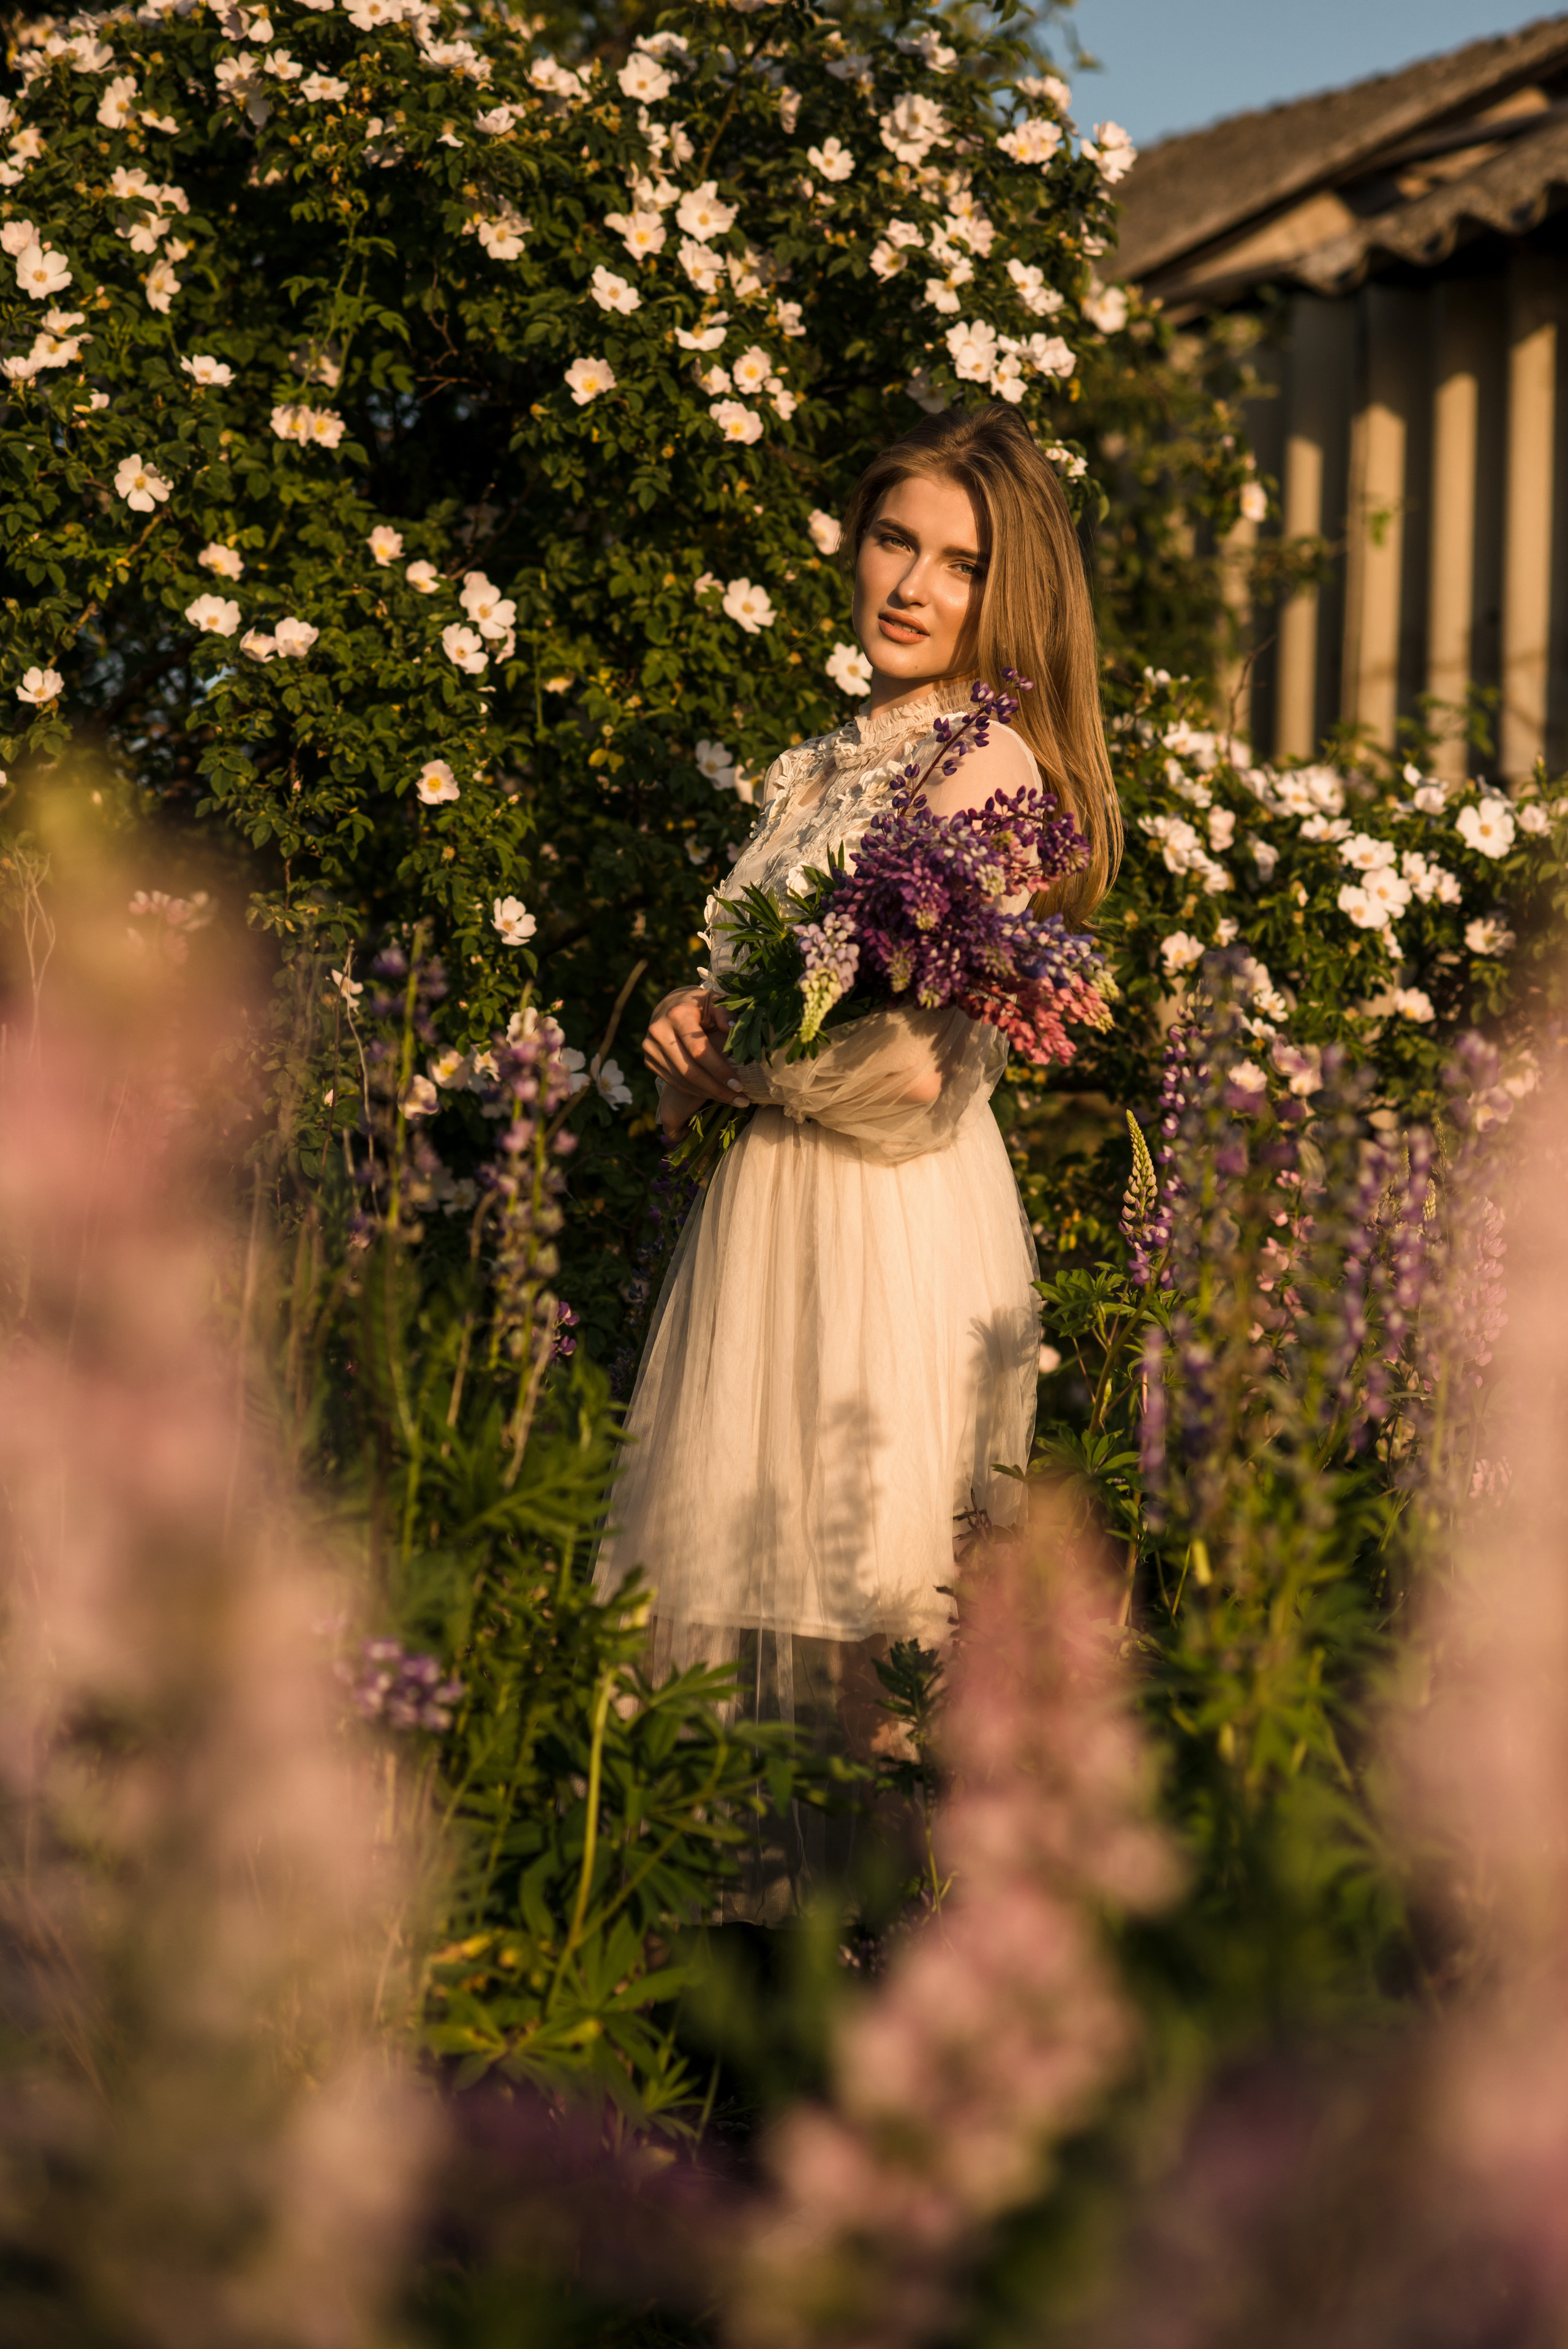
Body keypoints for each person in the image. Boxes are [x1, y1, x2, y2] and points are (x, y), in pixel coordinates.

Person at [594, 404, 1120, 1909]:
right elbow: (782, 997)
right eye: (895, 538)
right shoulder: (820, 758)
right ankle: (742, 2048)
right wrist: (687, 1054)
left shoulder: (989, 767)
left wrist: (741, 1054)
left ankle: (885, 2031)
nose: (910, 584)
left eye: (959, 563)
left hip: (886, 1232)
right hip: (765, 1221)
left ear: (1003, 595)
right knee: (746, 1642)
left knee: (866, 1656)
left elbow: (913, 1077)